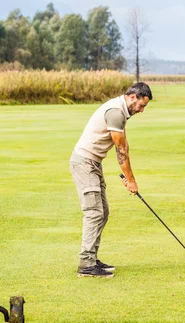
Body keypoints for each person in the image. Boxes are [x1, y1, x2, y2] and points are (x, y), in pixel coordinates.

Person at [70, 82, 153, 278]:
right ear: (133, 97)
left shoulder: (121, 111)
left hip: (93, 163)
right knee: (94, 212)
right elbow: (121, 150)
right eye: (141, 105)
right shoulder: (116, 111)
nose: (141, 111)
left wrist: (127, 175)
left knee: (103, 211)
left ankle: (92, 258)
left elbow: (124, 145)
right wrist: (131, 180)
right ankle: (86, 264)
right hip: (84, 163)